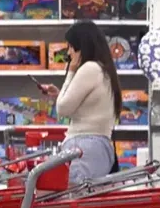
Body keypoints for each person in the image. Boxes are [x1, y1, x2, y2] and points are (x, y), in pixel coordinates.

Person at [39, 20, 123, 183]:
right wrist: (60, 93)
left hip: (84, 148)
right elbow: (86, 104)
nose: (69, 52)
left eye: (71, 46)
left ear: (82, 46)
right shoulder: (103, 69)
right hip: (99, 146)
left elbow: (63, 109)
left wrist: (70, 72)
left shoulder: (89, 68)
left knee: (74, 199)